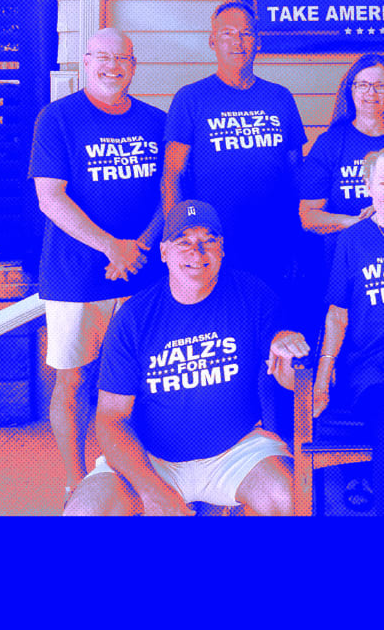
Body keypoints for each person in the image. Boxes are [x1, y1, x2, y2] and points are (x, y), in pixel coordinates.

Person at [63, 200, 305, 516]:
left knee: (289, 499)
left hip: (235, 450)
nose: (197, 252)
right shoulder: (134, 317)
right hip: (152, 458)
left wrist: (289, 349)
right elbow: (110, 419)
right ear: (164, 252)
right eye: (184, 242)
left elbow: (288, 378)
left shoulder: (254, 295)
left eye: (208, 241)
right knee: (85, 512)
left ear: (222, 249)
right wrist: (151, 490)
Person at [28, 28, 165, 502]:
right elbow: (50, 198)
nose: (113, 66)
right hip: (75, 276)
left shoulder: (156, 121)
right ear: (86, 62)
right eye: (103, 57)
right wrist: (112, 247)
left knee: (144, 380)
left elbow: (167, 197)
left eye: (122, 58)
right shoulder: (58, 118)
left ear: (134, 64)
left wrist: (137, 249)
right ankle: (74, 478)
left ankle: (137, 470)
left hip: (142, 275)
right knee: (73, 381)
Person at [161, 0, 304, 295]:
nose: (237, 42)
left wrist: (295, 235)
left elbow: (295, 175)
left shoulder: (280, 98)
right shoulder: (191, 99)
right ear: (212, 41)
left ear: (258, 41)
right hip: (214, 245)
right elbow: (172, 174)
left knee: (274, 326)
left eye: (246, 33)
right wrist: (177, 240)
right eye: (227, 33)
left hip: (273, 239)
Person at [311, 150, 384, 512]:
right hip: (371, 371)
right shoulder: (353, 240)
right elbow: (336, 316)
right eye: (383, 181)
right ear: (369, 187)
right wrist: (322, 380)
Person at [296, 54, 384, 331]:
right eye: (362, 85)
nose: (371, 93)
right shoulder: (331, 143)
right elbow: (308, 217)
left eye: (380, 85)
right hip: (343, 267)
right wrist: (358, 223)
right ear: (351, 90)